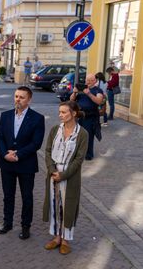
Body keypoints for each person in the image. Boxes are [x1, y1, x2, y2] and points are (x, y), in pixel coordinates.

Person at [0, 86, 45, 240]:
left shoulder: (37, 118)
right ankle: (7, 223)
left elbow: (36, 143)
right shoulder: (5, 116)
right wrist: (5, 154)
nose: (18, 99)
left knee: (27, 197)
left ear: (29, 100)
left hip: (26, 163)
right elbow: (0, 138)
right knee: (8, 196)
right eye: (16, 96)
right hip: (7, 163)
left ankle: (25, 226)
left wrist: (17, 154)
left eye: (22, 97)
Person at [43, 101, 88, 255]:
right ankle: (56, 237)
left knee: (67, 207)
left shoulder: (82, 134)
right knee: (55, 206)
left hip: (70, 176)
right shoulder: (55, 129)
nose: (60, 115)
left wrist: (63, 175)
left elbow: (79, 159)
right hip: (53, 173)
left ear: (73, 113)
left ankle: (66, 239)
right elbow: (47, 151)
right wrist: (51, 170)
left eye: (63, 112)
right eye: (60, 112)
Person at [70, 74, 104, 160]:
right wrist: (74, 92)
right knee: (77, 135)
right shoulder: (81, 89)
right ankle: (77, 153)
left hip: (90, 116)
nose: (87, 82)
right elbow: (71, 100)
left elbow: (99, 101)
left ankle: (88, 154)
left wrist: (89, 93)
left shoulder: (98, 90)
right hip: (79, 115)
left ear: (94, 81)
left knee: (88, 135)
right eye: (86, 80)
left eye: (90, 80)